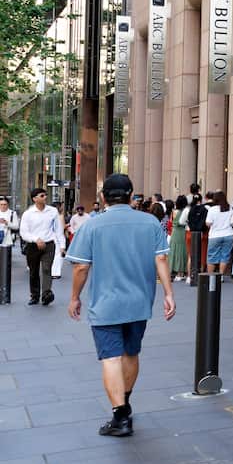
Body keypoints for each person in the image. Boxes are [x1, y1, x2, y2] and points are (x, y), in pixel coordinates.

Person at [66, 173, 176, 437]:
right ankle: (124, 401)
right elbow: (160, 259)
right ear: (131, 195)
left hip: (106, 304)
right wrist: (169, 294)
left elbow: (81, 266)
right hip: (139, 302)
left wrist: (74, 297)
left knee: (111, 357)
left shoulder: (92, 225)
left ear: (103, 197)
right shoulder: (150, 222)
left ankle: (120, 415)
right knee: (131, 353)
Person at [20, 187, 64, 306]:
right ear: (34, 199)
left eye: (45, 195)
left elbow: (58, 229)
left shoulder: (52, 211)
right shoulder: (28, 214)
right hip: (33, 246)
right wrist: (35, 239)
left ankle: (46, 294)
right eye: (42, 196)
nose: (45, 197)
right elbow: (23, 232)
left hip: (49, 244)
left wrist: (62, 245)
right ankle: (34, 295)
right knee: (33, 271)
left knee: (46, 269)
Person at [205, 191, 233, 276]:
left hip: (215, 235)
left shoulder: (212, 209)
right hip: (228, 234)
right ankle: (220, 275)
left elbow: (208, 223)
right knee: (225, 256)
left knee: (212, 256)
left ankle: (210, 276)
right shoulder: (230, 208)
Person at [168, 196, 190, 281]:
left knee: (174, 250)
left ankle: (174, 271)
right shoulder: (185, 211)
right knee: (182, 251)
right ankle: (181, 272)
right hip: (182, 231)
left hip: (174, 232)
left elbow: (171, 222)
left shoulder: (174, 211)